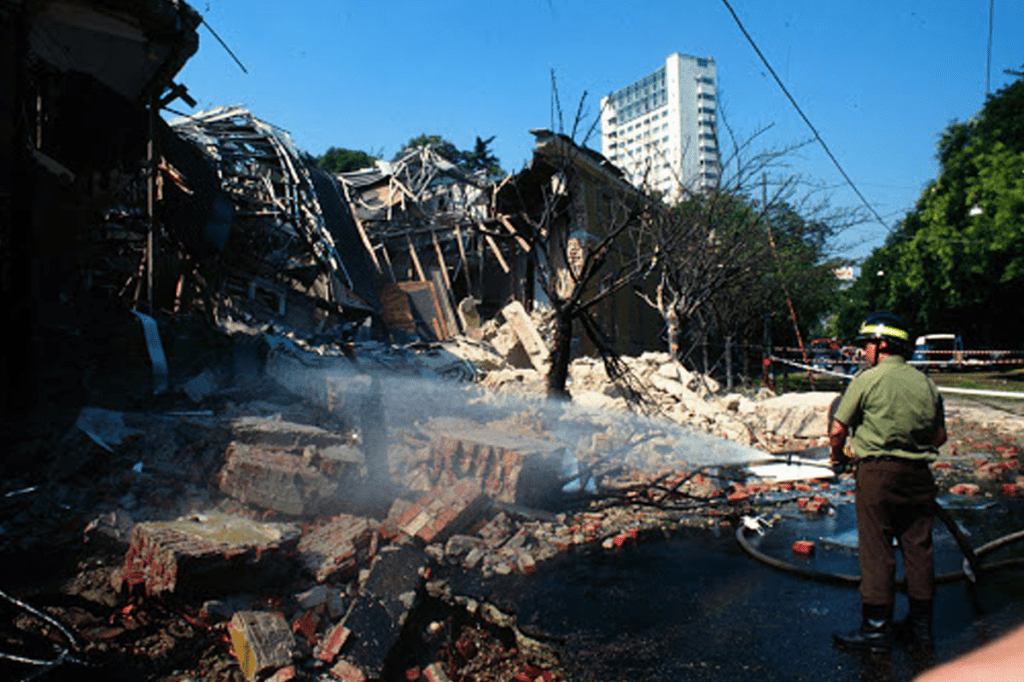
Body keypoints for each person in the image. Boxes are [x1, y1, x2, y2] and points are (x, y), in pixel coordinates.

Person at [829, 311, 947, 653]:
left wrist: (838, 458)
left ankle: (876, 630)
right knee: (918, 549)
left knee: (877, 550)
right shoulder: (926, 383)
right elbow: (940, 436)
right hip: (919, 476)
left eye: (867, 344)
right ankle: (921, 629)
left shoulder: (867, 379)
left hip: (877, 475)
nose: (863, 351)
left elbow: (837, 430)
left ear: (882, 345)